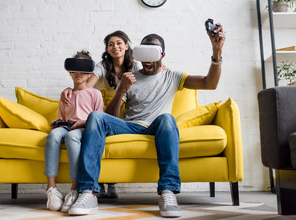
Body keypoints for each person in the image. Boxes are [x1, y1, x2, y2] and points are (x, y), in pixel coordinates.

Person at [68, 25, 225, 218]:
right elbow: (112, 116)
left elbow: (210, 84)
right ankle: (88, 192)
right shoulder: (130, 78)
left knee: (167, 118)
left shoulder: (173, 76)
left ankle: (168, 192)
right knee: (96, 116)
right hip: (130, 126)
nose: (148, 60)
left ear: (162, 55)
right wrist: (121, 90)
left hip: (156, 127)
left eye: (154, 53)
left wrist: (216, 52)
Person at [62, 30, 141, 198]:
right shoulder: (102, 66)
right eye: (111, 44)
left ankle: (111, 183)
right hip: (104, 109)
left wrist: (162, 67)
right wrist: (72, 88)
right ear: (107, 49)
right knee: (97, 136)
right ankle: (98, 183)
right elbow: (86, 84)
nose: (115, 47)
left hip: (127, 109)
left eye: (119, 43)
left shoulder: (135, 66)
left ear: (126, 46)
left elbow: (148, 81)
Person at [44, 51, 104, 212]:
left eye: (83, 70)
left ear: (90, 73)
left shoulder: (95, 94)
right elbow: (62, 117)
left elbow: (98, 119)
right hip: (66, 126)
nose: (79, 74)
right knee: (53, 135)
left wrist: (81, 123)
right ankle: (51, 189)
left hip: (84, 128)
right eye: (75, 70)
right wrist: (56, 124)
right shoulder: (66, 95)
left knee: (71, 137)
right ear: (70, 72)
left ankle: (74, 189)